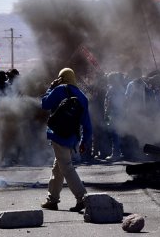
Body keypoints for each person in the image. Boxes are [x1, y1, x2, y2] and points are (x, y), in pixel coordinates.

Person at [41, 68, 92, 212]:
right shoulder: (82, 97)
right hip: (72, 138)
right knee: (58, 168)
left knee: (67, 167)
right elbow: (87, 124)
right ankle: (52, 200)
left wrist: (51, 87)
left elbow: (44, 104)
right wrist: (84, 142)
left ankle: (82, 197)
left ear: (61, 78)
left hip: (58, 135)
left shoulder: (58, 90)